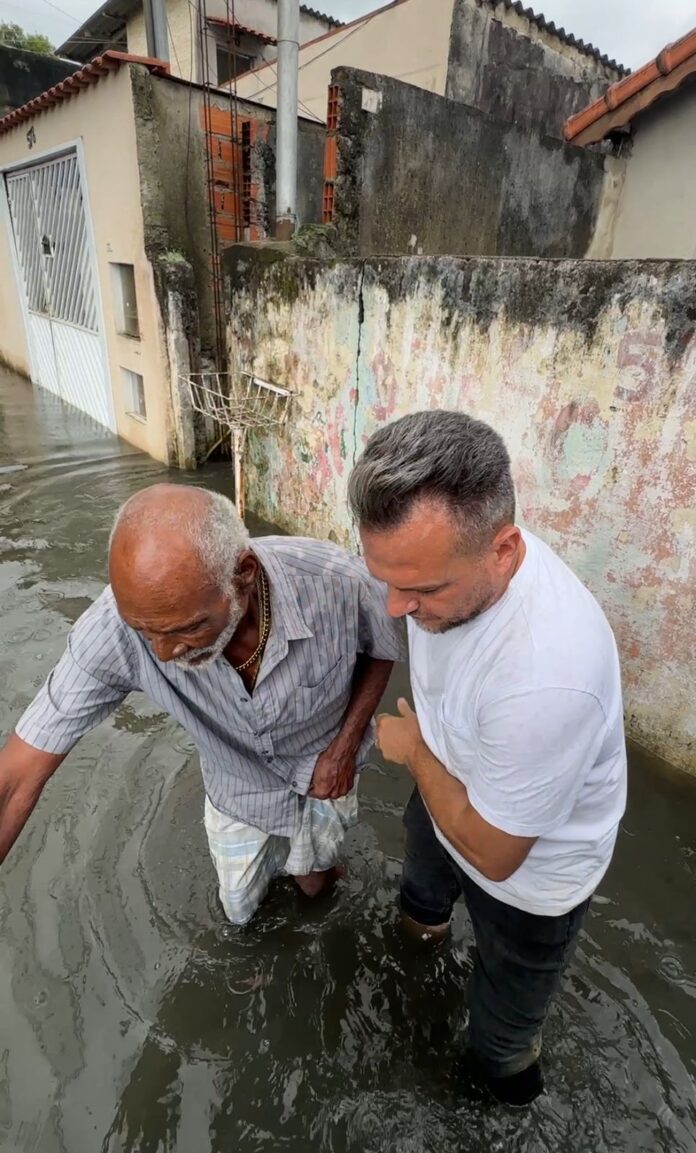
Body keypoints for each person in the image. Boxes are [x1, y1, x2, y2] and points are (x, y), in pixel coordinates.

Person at [348, 410, 627, 1107]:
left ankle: (500, 1112)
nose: (395, 604)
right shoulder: (447, 572)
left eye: (422, 590)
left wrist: (414, 753)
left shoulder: (547, 672)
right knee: (420, 904)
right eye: (385, 576)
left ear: (503, 550)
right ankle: (421, 949)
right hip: (450, 778)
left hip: (530, 877)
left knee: (499, 1044)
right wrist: (429, 756)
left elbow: (501, 854)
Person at [0, 484, 405, 924]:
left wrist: (344, 748)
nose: (162, 654)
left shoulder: (339, 583)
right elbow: (17, 775)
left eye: (186, 629)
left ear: (244, 574)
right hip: (238, 792)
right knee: (239, 907)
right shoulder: (114, 630)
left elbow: (381, 647)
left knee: (316, 878)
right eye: (145, 631)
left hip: (325, 776)